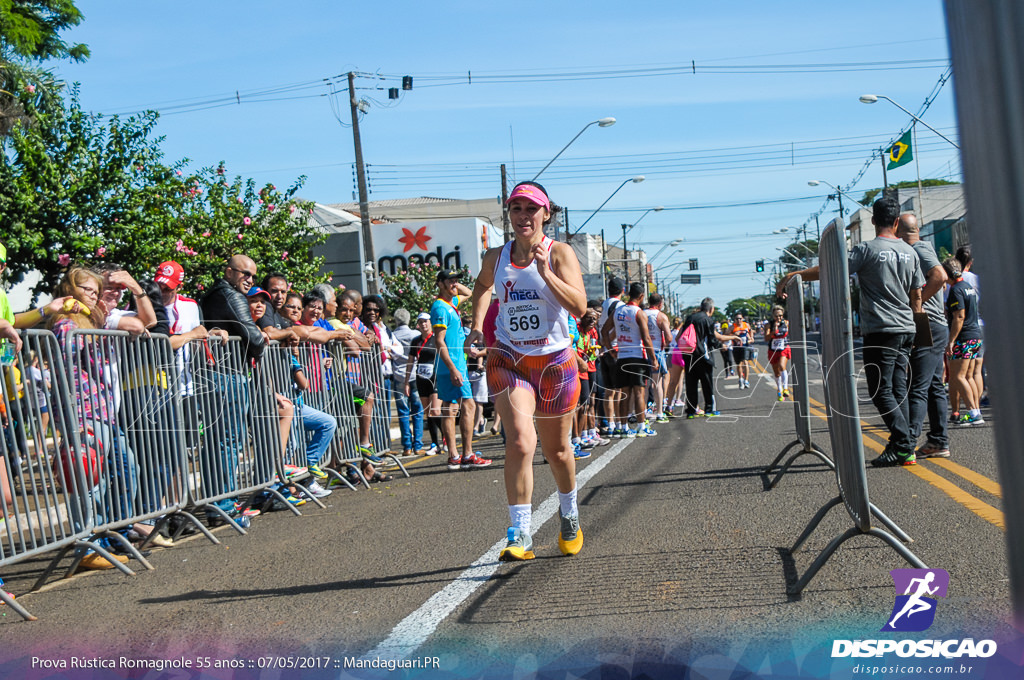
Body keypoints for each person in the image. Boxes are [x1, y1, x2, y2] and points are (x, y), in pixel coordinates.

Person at [465, 181, 586, 561]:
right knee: (519, 442)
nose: (523, 216)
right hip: (508, 356)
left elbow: (580, 306)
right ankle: (520, 534)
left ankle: (569, 514)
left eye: (531, 209)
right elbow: (483, 286)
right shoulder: (495, 257)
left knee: (558, 451)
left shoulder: (561, 253)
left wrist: (547, 274)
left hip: (554, 362)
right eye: (516, 209)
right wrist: (476, 325)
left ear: (546, 214)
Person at [778, 196, 924, 467]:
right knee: (897, 388)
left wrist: (794, 275)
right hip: (907, 328)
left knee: (881, 391)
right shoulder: (910, 252)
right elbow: (917, 296)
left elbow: (830, 269)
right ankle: (903, 446)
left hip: (881, 329)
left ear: (872, 221)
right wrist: (920, 334)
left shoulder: (867, 249)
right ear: (896, 222)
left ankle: (905, 441)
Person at [897, 214, 951, 458]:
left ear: (898, 229)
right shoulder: (918, 248)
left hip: (926, 323)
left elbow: (940, 276)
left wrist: (916, 305)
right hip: (933, 324)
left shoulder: (918, 249)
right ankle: (938, 441)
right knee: (932, 386)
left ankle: (907, 444)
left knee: (917, 386)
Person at [431, 269, 490, 472]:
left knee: (451, 408)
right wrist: (453, 368)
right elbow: (439, 342)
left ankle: (455, 456)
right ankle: (465, 454)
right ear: (440, 283)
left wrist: (453, 285)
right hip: (452, 366)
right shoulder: (440, 308)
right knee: (467, 406)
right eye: (450, 281)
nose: (455, 284)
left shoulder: (450, 303)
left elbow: (468, 293)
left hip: (456, 364)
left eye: (456, 280)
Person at [681, 298, 740, 418]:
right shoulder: (708, 320)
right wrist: (720, 346)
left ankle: (691, 411)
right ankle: (709, 409)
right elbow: (712, 338)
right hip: (703, 355)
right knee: (707, 383)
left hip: (688, 354)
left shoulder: (690, 318)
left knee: (691, 383)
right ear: (711, 309)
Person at [613, 282, 658, 437]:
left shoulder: (618, 311)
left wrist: (612, 350)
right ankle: (640, 426)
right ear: (641, 296)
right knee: (639, 393)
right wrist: (653, 358)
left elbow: (605, 332)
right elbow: (646, 338)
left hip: (622, 357)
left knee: (625, 393)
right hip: (637, 356)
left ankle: (624, 428)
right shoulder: (639, 313)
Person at [943, 258, 984, 426]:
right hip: (975, 335)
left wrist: (951, 341)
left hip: (963, 337)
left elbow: (959, 316)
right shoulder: (968, 287)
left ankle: (974, 413)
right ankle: (976, 410)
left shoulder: (956, 290)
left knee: (958, 376)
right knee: (970, 376)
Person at [406, 312, 443, 453]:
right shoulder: (416, 341)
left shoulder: (436, 339)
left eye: (426, 321)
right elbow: (410, 361)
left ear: (430, 323)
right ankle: (435, 444)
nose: (423, 324)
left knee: (435, 411)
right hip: (421, 379)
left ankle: (446, 436)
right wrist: (406, 382)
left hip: (435, 378)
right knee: (428, 413)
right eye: (420, 322)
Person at [391, 308, 425, 456]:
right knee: (417, 411)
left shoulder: (392, 335)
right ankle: (418, 445)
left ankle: (407, 446)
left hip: (399, 375)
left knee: (403, 412)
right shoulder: (416, 335)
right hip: (414, 375)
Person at [597, 277, 626, 437]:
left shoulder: (602, 304)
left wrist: (602, 343)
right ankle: (617, 422)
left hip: (603, 350)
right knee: (619, 390)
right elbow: (617, 325)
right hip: (615, 348)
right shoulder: (619, 306)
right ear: (623, 290)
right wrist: (609, 341)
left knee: (609, 390)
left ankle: (610, 422)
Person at [645, 294, 673, 422]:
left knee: (644, 384)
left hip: (642, 350)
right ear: (660, 304)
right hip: (656, 350)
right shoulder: (661, 316)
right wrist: (664, 345)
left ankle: (643, 412)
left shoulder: (641, 313)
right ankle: (660, 412)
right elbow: (669, 337)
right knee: (657, 384)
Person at [764, 306, 792, 400]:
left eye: (780, 316)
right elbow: (766, 338)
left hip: (784, 349)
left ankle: (785, 388)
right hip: (773, 350)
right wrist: (774, 330)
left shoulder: (786, 323)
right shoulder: (769, 325)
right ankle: (779, 390)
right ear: (773, 316)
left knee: (781, 366)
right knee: (776, 373)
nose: (778, 318)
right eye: (776, 316)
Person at [730, 312, 753, 389]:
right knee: (739, 364)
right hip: (737, 347)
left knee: (745, 362)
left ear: (742, 318)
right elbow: (726, 335)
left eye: (740, 318)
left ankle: (746, 381)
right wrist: (734, 335)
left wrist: (751, 338)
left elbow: (750, 331)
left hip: (745, 346)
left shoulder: (746, 325)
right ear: (734, 320)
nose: (739, 320)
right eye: (737, 319)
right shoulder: (732, 327)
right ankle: (740, 379)